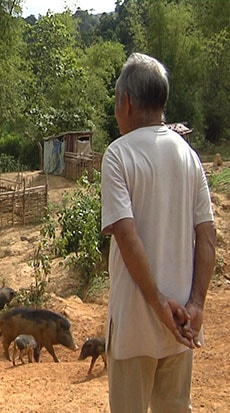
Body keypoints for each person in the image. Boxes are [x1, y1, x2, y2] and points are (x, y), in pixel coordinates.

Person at [101, 53, 217, 412]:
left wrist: (157, 304)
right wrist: (195, 304)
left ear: (127, 102)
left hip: (136, 324)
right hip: (181, 326)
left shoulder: (118, 155)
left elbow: (126, 234)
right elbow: (208, 235)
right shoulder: (189, 156)